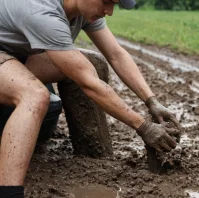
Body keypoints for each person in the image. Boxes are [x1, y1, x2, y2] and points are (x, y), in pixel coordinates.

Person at [0, 0, 180, 197]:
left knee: (94, 62)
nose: (109, 11)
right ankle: (8, 192)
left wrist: (151, 100)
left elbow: (116, 55)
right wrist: (143, 126)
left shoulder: (83, 10)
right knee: (35, 96)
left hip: (14, 55)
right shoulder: (42, 11)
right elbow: (88, 83)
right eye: (106, 2)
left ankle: (93, 157)